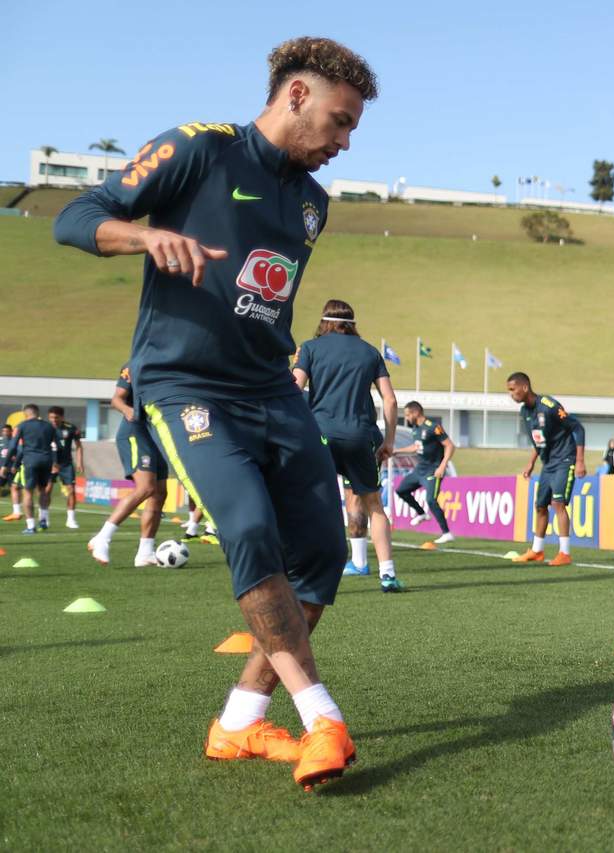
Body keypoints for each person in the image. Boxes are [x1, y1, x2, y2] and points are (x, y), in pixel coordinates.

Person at [53, 36, 378, 790]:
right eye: (340, 120)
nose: (345, 142)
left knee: (324, 554)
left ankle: (238, 721)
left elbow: (264, 300)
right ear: (296, 95)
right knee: (249, 528)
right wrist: (144, 235)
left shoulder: (313, 203)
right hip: (186, 386)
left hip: (273, 390)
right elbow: (76, 215)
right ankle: (322, 718)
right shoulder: (200, 148)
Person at [293, 299, 403, 592]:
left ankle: (308, 572)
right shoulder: (370, 351)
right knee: (373, 504)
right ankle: (387, 575)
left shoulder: (310, 348)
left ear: (324, 321)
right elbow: (390, 401)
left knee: (312, 502)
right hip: (360, 436)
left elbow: (293, 389)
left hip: (320, 436)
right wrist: (389, 440)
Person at [88, 364, 170, 566]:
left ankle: (145, 552)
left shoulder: (170, 365)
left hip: (154, 435)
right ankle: (102, 538)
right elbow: (117, 399)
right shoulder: (135, 366)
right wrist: (128, 411)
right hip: (134, 432)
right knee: (146, 488)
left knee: (160, 493)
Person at [507, 372, 586, 566]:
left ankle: (564, 553)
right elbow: (538, 440)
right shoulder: (524, 412)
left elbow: (578, 428)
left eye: (512, 389)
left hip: (565, 459)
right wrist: (531, 462)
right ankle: (537, 550)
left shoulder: (549, 406)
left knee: (557, 504)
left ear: (525, 387)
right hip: (548, 463)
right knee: (540, 506)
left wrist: (580, 460)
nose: (511, 394)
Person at [393, 402, 456, 551]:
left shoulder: (433, 427)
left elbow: (450, 445)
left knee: (431, 500)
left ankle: (447, 533)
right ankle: (421, 513)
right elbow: (416, 447)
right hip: (420, 469)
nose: (406, 418)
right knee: (401, 490)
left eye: (408, 415)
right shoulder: (415, 429)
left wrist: (442, 466)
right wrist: (396, 451)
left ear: (416, 413)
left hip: (433, 470)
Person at [13, 404, 57, 535]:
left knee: (28, 492)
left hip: (30, 460)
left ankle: (31, 526)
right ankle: (43, 519)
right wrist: (56, 462)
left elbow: (14, 446)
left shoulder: (22, 425)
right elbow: (58, 445)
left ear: (25, 413)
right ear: (38, 413)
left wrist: (12, 465)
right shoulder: (49, 426)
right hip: (46, 460)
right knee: (43, 490)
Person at [47, 406, 84, 529]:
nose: (53, 420)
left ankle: (71, 520)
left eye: (56, 417)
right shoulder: (45, 428)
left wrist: (80, 462)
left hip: (66, 464)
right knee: (47, 490)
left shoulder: (71, 428)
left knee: (71, 490)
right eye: (51, 417)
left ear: (62, 417)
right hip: (49, 464)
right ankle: (44, 519)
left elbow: (79, 446)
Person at [0, 424, 19, 520]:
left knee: (14, 488)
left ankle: (16, 512)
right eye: (4, 431)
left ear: (11, 431)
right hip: (1, 469)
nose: (5, 433)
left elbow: (20, 454)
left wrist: (15, 463)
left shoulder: (15, 441)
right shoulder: (0, 441)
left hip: (11, 469)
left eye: (7, 431)